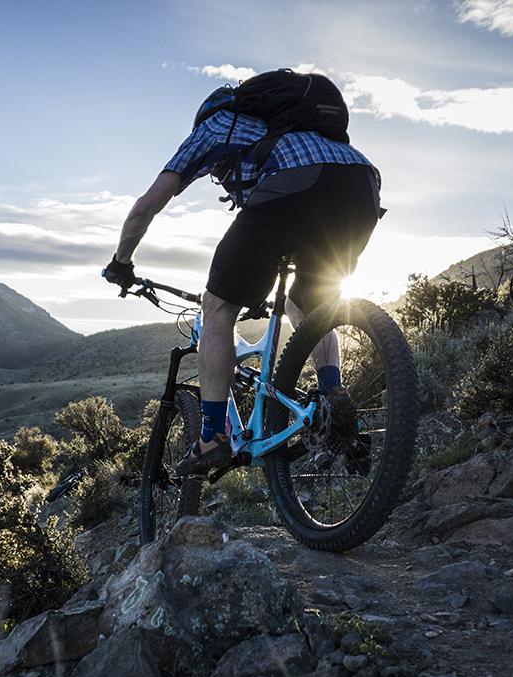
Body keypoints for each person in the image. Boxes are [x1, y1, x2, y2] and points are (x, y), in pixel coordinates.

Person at [103, 71, 382, 475]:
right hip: (361, 186)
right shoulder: (297, 128)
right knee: (312, 304)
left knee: (217, 306)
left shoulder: (217, 124)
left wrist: (121, 262)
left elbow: (148, 204)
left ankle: (213, 436)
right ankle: (332, 396)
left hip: (294, 185)